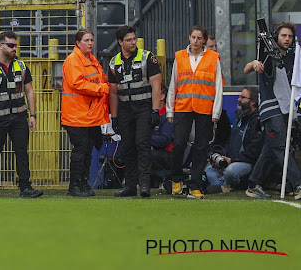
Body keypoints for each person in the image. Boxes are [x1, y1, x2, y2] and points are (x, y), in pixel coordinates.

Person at [0, 31, 43, 199]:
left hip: (19, 118)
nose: (14, 48)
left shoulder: (21, 66)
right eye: (11, 45)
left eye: (15, 45)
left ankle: (25, 188)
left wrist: (33, 115)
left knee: (21, 153)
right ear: (0, 46)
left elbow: (30, 91)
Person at [243, 22, 301, 200]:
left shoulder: (292, 58)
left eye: (290, 36)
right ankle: (298, 184)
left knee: (271, 147)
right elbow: (248, 69)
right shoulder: (268, 55)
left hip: (286, 109)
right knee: (281, 148)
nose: (287, 39)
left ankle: (254, 184)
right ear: (277, 37)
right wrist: (254, 63)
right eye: (284, 35)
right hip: (271, 108)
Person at [166, 25, 223, 199]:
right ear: (189, 37)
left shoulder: (213, 58)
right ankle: (176, 179)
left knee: (201, 148)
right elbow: (173, 84)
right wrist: (170, 110)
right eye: (193, 37)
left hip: (205, 108)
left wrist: (216, 112)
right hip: (183, 106)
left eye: (199, 38)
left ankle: (195, 185)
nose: (196, 41)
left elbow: (219, 86)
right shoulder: (179, 56)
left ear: (204, 40)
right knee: (179, 144)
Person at [108, 25, 162, 198]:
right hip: (125, 109)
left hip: (144, 107)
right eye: (129, 40)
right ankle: (130, 186)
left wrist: (155, 110)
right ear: (120, 42)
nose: (133, 42)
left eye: (134, 38)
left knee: (142, 144)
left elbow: (156, 86)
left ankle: (144, 184)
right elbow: (113, 92)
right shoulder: (114, 62)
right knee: (128, 146)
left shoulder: (148, 57)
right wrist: (114, 117)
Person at [61, 29, 109, 197]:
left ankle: (82, 183)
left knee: (87, 150)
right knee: (81, 150)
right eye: (87, 40)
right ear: (78, 43)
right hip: (76, 115)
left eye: (91, 40)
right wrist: (101, 89)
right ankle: (74, 185)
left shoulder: (91, 60)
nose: (90, 43)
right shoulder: (73, 60)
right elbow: (78, 84)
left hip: (88, 115)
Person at [204, 86, 264, 191]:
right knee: (208, 169)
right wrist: (222, 158)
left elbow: (254, 152)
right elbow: (230, 142)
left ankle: (229, 186)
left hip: (248, 162)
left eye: (243, 97)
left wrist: (232, 160)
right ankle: (225, 187)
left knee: (230, 171)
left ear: (253, 102)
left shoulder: (257, 121)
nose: (239, 99)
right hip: (232, 159)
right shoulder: (240, 118)